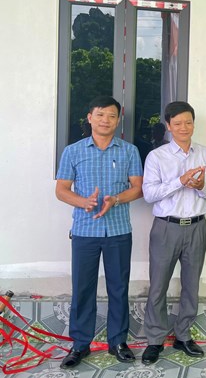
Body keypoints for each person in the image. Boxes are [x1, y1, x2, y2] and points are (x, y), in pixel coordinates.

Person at [55, 96, 143, 369]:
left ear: (118, 120)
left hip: (118, 231)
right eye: (101, 115)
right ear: (90, 117)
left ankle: (118, 341)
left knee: (119, 287)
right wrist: (84, 202)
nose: (106, 120)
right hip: (84, 230)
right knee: (83, 289)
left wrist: (115, 199)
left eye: (112, 116)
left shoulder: (129, 151)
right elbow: (61, 190)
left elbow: (138, 188)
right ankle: (80, 344)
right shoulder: (73, 151)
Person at [141, 101, 206, 364]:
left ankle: (183, 335)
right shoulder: (157, 156)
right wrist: (180, 181)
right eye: (177, 124)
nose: (183, 128)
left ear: (194, 123)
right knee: (158, 285)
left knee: (191, 285)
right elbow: (149, 194)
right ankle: (155, 339)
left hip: (197, 226)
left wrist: (200, 186)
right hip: (166, 227)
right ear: (168, 126)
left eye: (188, 122)